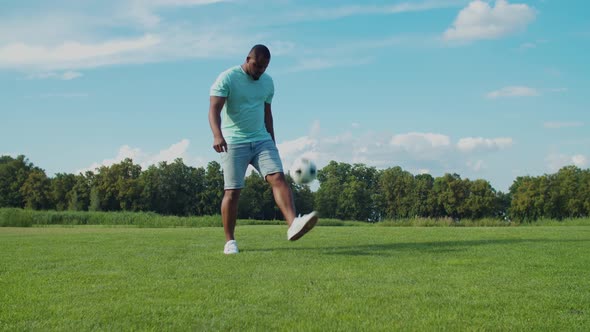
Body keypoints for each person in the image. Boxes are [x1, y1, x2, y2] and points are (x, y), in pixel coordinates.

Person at [208, 44, 318, 255]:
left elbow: (268, 113)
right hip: (234, 141)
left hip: (261, 140)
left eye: (264, 67)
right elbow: (214, 109)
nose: (260, 71)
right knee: (233, 192)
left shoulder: (268, 83)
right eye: (257, 66)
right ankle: (230, 241)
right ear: (248, 59)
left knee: (278, 178)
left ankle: (293, 223)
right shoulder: (228, 78)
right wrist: (217, 134)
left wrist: (272, 142)